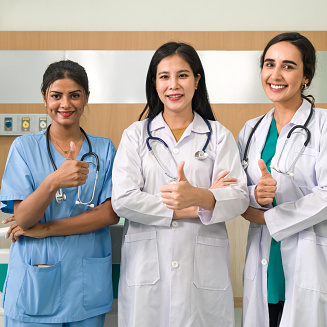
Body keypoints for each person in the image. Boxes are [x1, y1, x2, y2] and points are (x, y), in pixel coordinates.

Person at [111, 41, 249, 327]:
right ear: (155, 83)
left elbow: (237, 197)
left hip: (201, 272)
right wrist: (197, 204)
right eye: (164, 76)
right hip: (148, 266)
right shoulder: (136, 135)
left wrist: (196, 195)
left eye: (183, 75)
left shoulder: (218, 135)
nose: (173, 85)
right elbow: (123, 199)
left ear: (197, 80)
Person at [237, 32, 327, 327]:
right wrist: (256, 194)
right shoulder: (251, 130)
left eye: (288, 66)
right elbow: (239, 191)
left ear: (306, 76)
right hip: (266, 259)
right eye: (269, 64)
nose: (275, 74)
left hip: (313, 255)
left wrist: (269, 217)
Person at [0, 60, 119, 327]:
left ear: (86, 98)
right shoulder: (23, 148)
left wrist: (47, 229)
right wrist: (53, 181)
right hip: (35, 281)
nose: (65, 104)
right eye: (56, 95)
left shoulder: (105, 149)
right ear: (44, 98)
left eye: (75, 95)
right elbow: (25, 218)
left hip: (85, 282)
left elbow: (109, 213)